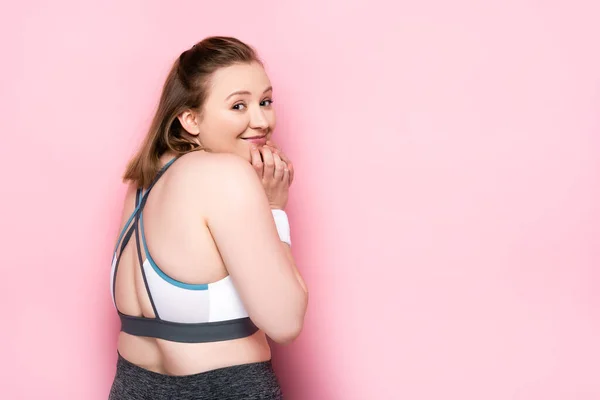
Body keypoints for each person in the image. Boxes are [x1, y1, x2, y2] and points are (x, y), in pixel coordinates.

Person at [107, 36, 309, 400]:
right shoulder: (226, 175)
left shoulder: (143, 183)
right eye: (238, 106)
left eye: (265, 101)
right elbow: (286, 322)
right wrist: (276, 210)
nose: (261, 120)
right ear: (190, 119)